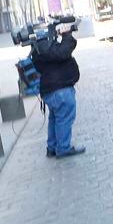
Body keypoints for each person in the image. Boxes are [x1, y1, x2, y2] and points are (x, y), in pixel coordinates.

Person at [32, 24, 85, 158]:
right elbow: (64, 52)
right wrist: (67, 35)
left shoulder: (39, 50)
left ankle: (52, 147)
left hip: (50, 91)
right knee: (64, 118)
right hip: (61, 90)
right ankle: (63, 148)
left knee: (55, 119)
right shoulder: (48, 49)